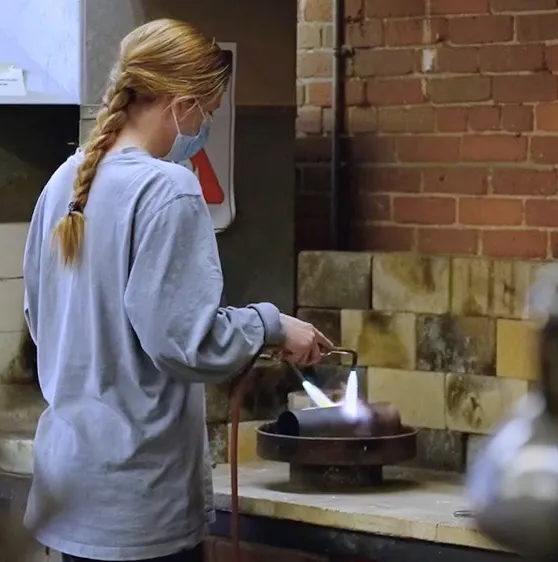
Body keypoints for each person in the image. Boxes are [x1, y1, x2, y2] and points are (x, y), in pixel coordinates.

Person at [21, 18, 334, 562]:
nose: (203, 126)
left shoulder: (64, 182)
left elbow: (37, 315)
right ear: (181, 104)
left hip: (70, 489)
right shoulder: (167, 189)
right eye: (207, 112)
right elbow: (187, 342)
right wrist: (273, 325)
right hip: (138, 502)